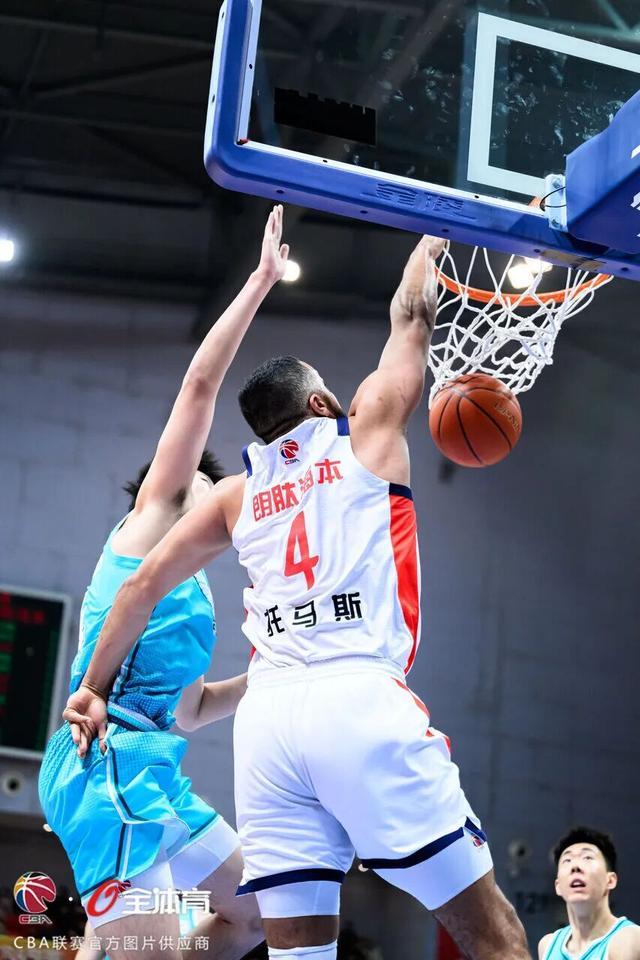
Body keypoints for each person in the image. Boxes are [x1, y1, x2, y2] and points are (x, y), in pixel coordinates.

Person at [62, 222, 532, 960]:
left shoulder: (235, 497)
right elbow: (411, 316)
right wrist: (434, 237)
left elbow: (142, 589)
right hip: (356, 699)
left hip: (268, 725)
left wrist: (91, 686)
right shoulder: (365, 431)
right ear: (320, 405)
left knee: (289, 945)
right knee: (492, 934)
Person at [39, 205, 291, 960]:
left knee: (258, 915)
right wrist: (260, 281)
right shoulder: (155, 515)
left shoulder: (195, 594)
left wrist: (270, 670)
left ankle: (111, 943)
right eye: (211, 487)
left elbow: (191, 708)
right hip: (104, 761)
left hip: (154, 767)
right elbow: (200, 386)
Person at [539, 827, 640, 960]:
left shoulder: (628, 939)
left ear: (610, 880)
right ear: (558, 887)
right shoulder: (547, 945)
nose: (575, 867)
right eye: (567, 860)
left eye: (587, 857)